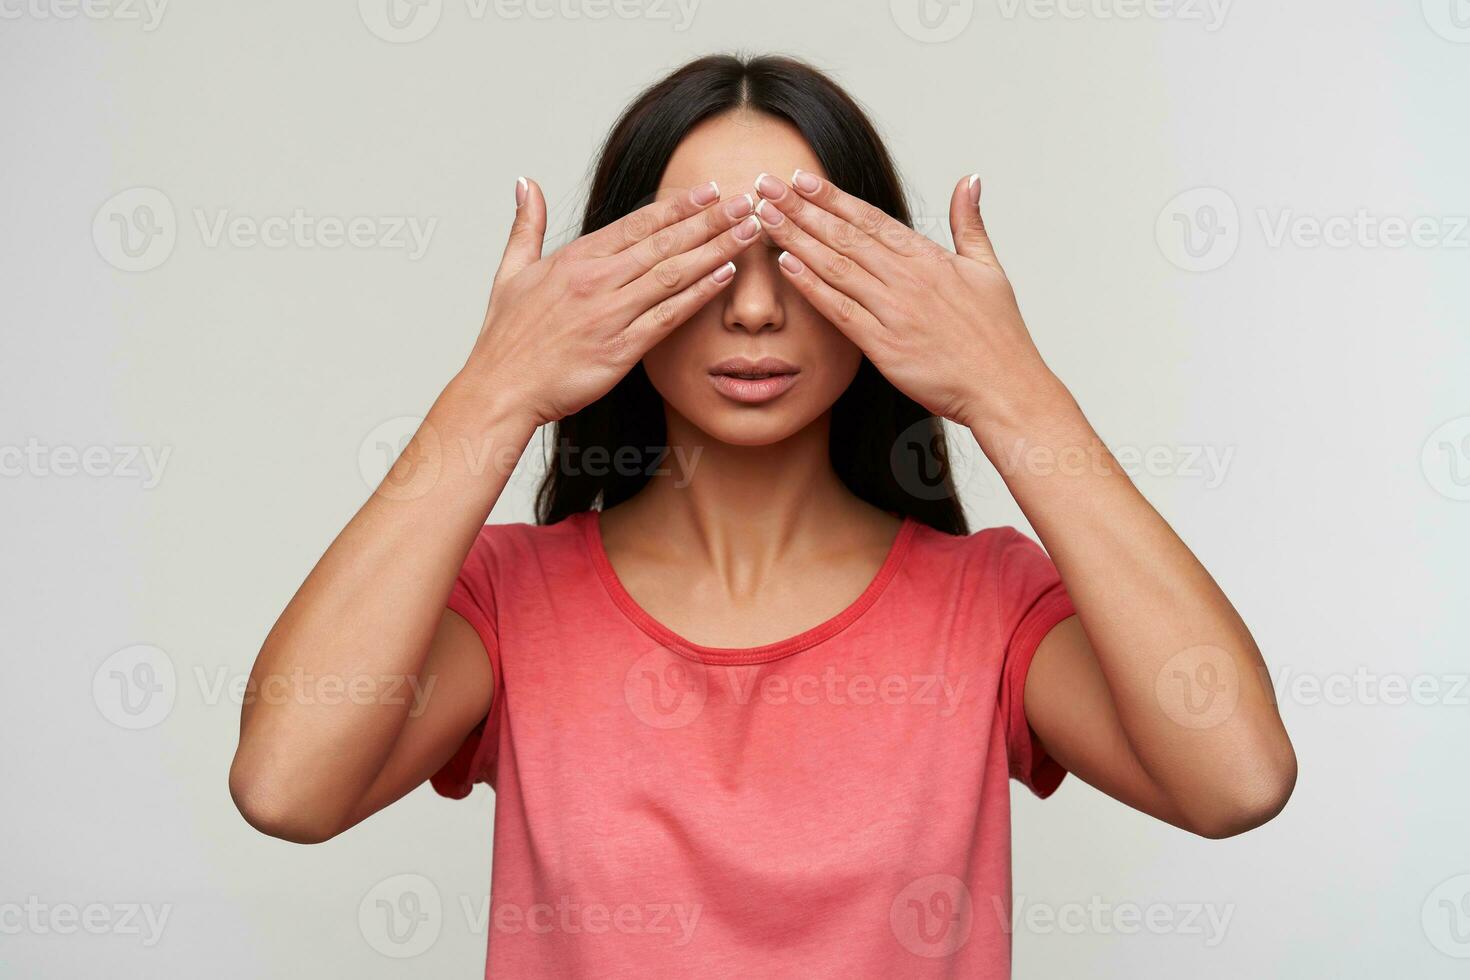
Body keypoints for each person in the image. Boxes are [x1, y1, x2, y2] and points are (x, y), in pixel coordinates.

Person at [229, 54, 1296, 977]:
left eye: (797, 252)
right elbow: (285, 788)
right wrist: (494, 389)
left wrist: (1009, 388)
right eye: (699, 256)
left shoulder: (989, 604)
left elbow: (1238, 778)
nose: (752, 307)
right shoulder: (510, 600)